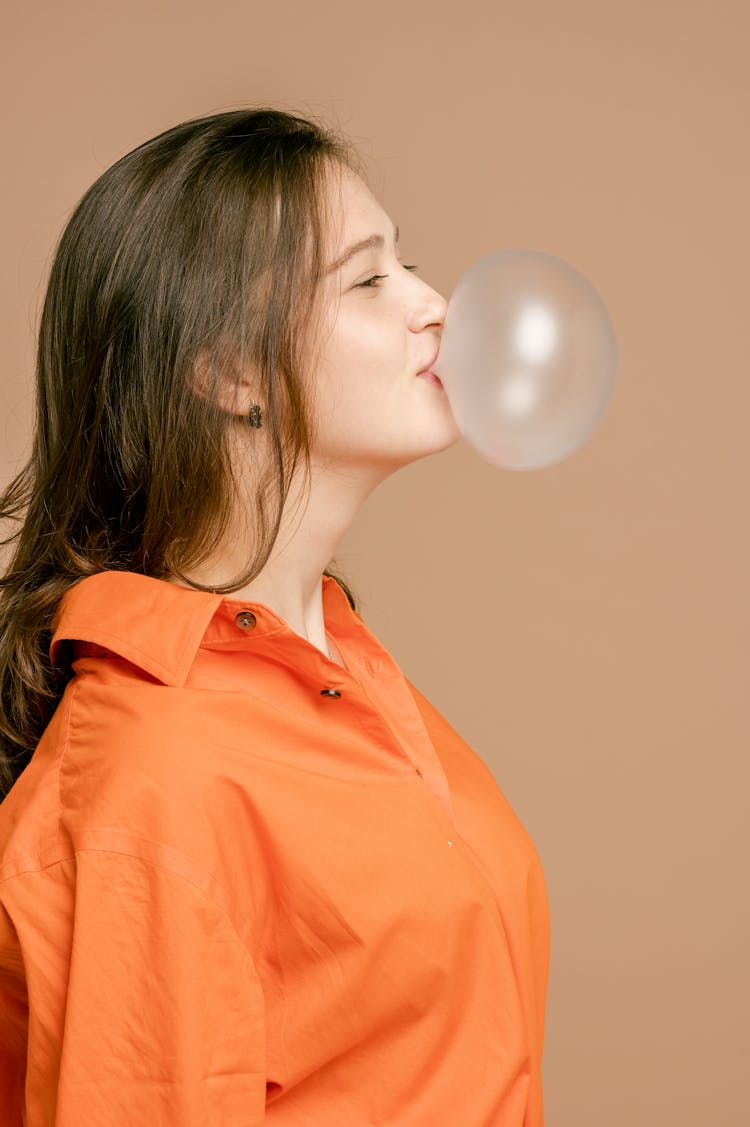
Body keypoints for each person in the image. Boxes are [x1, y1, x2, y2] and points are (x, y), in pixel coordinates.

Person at [0, 107, 550, 1125]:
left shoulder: (344, 675)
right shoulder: (156, 768)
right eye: (368, 277)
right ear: (231, 373)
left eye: (410, 260)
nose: (436, 304)